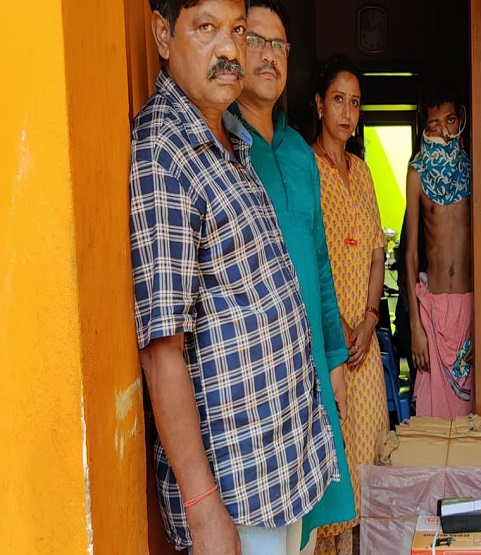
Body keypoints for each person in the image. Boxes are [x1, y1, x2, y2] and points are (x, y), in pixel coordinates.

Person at [131, 1, 338, 554]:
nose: (229, 49)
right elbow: (161, 350)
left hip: (278, 468)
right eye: (206, 28)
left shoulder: (228, 138)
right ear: (163, 34)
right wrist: (203, 511)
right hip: (235, 491)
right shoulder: (164, 153)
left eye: (237, 30)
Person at [230, 2, 355, 554]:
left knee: (301, 534)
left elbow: (321, 263)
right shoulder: (223, 148)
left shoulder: (301, 157)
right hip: (256, 380)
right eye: (256, 41)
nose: (269, 56)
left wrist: (335, 362)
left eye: (278, 46)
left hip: (309, 371)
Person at [310, 54, 389, 555]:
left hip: (364, 343)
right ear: (319, 104)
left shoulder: (361, 172)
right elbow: (307, 256)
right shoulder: (305, 169)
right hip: (327, 343)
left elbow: (378, 252)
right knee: (333, 463)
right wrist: (337, 323)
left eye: (355, 103)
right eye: (338, 100)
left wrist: (370, 318)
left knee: (368, 462)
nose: (346, 112)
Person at [403, 83, 474, 418]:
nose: (444, 133)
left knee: (470, 418)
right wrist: (415, 327)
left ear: (460, 120)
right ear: (424, 128)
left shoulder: (474, 170)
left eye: (450, 122)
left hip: (468, 309)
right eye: (435, 125)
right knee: (432, 419)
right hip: (432, 315)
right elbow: (410, 254)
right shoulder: (416, 174)